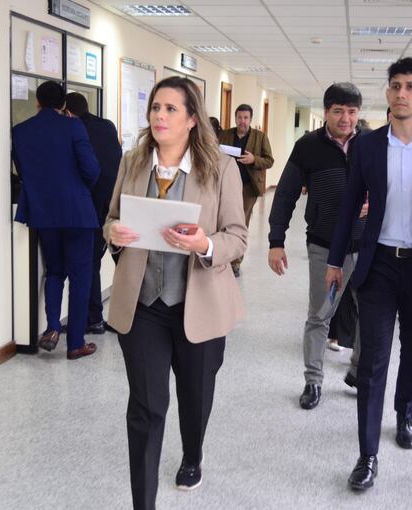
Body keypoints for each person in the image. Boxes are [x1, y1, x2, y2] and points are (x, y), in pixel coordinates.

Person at [103, 76, 247, 510]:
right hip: (143, 305)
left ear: (191, 119)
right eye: (155, 108)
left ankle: (192, 454)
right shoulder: (133, 163)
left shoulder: (220, 168)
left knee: (195, 397)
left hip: (199, 303)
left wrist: (204, 244)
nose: (160, 116)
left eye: (170, 109)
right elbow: (111, 219)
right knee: (146, 407)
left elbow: (237, 237)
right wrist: (114, 233)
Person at [326, 57, 412, 490]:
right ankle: (367, 453)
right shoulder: (368, 145)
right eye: (395, 86)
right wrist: (334, 260)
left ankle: (405, 413)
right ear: (387, 92)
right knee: (373, 359)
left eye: (411, 86)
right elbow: (351, 204)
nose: (401, 93)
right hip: (380, 264)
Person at [267, 82, 367, 410]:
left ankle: (359, 372)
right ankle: (313, 380)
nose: (345, 118)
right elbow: (285, 194)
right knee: (320, 315)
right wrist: (276, 241)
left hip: (367, 246)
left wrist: (377, 203)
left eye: (351, 111)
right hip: (324, 245)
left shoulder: (371, 144)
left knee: (369, 313)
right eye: (338, 111)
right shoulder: (308, 146)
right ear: (326, 112)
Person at [12, 81, 100, 359]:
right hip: (77, 212)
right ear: (63, 104)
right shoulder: (74, 126)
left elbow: (23, 171)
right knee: (80, 277)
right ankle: (75, 343)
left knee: (54, 271)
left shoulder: (21, 131)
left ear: (37, 102)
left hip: (44, 213)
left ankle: (52, 327)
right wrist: (79, 190)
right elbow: (92, 169)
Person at [63, 92, 123, 334]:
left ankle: (94, 320)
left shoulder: (74, 130)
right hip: (115, 202)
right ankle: (127, 319)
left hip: (91, 205)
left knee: (89, 263)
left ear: (68, 112)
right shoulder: (107, 126)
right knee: (122, 261)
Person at [219, 104, 274, 277]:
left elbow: (269, 161)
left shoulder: (260, 137)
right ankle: (223, 257)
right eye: (239, 117)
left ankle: (235, 262)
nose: (242, 121)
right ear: (235, 118)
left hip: (247, 187)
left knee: (240, 223)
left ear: (250, 119)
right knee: (222, 221)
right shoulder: (225, 134)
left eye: (246, 118)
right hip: (226, 186)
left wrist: (254, 159)